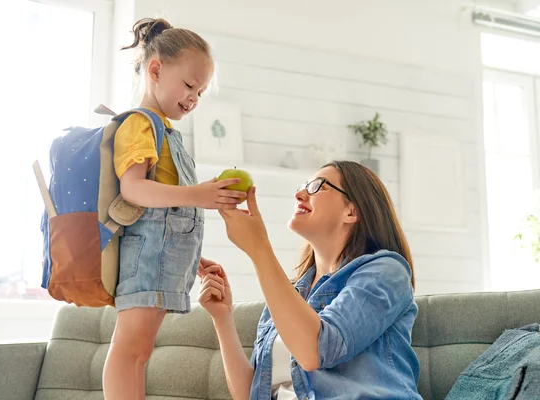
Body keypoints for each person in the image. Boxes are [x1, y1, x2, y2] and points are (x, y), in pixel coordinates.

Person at [102, 17, 247, 400]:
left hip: (161, 260)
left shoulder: (165, 131)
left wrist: (192, 256)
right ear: (155, 70)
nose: (193, 98)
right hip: (145, 262)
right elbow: (134, 189)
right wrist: (198, 195)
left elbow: (165, 214)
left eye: (199, 92)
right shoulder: (139, 124)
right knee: (130, 349)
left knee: (140, 350)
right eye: (188, 85)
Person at [199, 160, 423, 400]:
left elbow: (315, 351)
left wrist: (259, 248)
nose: (299, 194)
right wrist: (222, 318)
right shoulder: (290, 294)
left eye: (317, 186)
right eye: (303, 185)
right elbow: (251, 394)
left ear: (352, 211)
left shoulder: (387, 271)